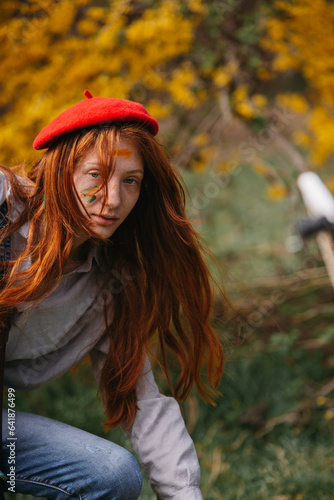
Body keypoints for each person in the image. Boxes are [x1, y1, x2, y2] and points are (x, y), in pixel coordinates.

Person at [0, 90, 225, 499]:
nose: (114, 200)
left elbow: (144, 407)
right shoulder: (3, 207)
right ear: (61, 169)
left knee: (112, 473)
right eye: (95, 176)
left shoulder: (108, 288)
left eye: (130, 182)